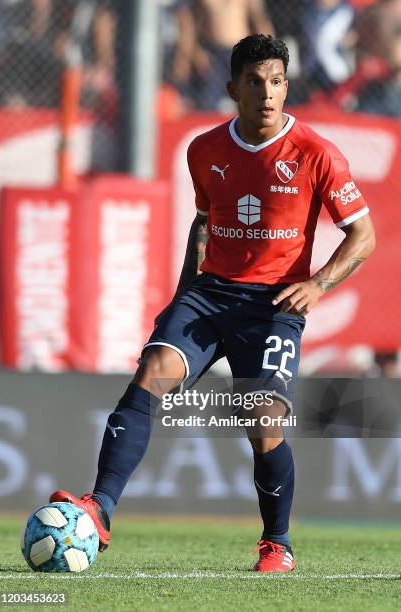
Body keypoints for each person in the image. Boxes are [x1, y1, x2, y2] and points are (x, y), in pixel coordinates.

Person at [50, 34, 375, 572]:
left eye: (276, 82)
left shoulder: (317, 153)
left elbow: (363, 235)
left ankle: (278, 542)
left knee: (264, 418)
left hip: (273, 307)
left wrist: (318, 285)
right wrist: (182, 299)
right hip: (210, 295)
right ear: (232, 88)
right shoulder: (204, 149)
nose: (267, 93)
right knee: (152, 371)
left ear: (286, 87)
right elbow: (203, 226)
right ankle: (100, 508)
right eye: (254, 82)